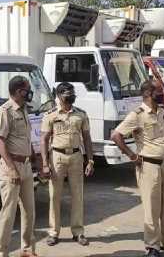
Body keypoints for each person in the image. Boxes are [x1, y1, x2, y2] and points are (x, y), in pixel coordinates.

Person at [110, 80, 164, 257]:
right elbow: (116, 135)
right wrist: (132, 155)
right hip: (149, 166)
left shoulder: (162, 111)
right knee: (152, 207)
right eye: (159, 90)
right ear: (148, 93)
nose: (162, 93)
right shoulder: (137, 115)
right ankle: (152, 246)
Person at [41, 83, 93, 247]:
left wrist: (90, 160)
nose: (70, 95)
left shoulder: (81, 115)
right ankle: (53, 232)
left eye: (72, 92)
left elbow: (87, 138)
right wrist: (44, 164)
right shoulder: (50, 115)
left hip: (76, 156)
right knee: (54, 196)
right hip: (57, 156)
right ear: (58, 95)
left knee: (78, 195)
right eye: (66, 93)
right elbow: (44, 140)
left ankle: (78, 232)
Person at [0, 76, 38, 257]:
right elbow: (0, 141)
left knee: (29, 211)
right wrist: (12, 169)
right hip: (11, 167)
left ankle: (27, 250)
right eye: (27, 89)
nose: (29, 92)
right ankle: (0, 253)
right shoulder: (5, 111)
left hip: (25, 166)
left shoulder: (24, 109)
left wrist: (35, 158)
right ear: (19, 92)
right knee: (8, 214)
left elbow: (25, 138)